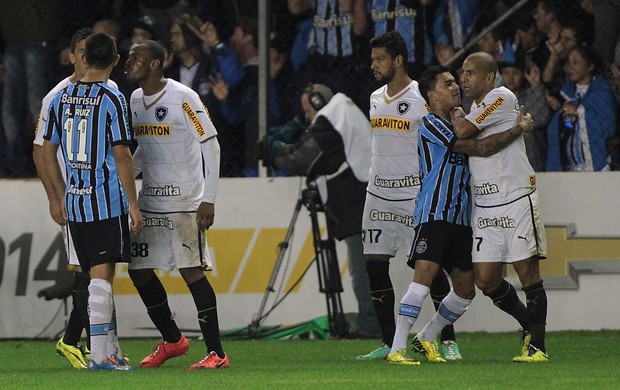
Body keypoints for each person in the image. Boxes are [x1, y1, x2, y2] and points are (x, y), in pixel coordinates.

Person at [387, 65, 534, 364]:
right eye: (448, 83)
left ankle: (425, 339)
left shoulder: (456, 119)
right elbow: (477, 147)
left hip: (459, 219)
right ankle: (396, 350)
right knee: (423, 278)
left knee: (466, 290)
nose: (456, 87)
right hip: (434, 213)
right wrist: (517, 129)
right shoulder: (430, 123)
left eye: (457, 82)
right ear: (431, 95)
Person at [124, 39, 229, 370]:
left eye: (136, 57)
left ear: (155, 63)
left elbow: (210, 146)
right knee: (139, 272)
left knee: (191, 271)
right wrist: (122, 180)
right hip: (150, 201)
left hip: (184, 201)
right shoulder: (135, 99)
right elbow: (145, 151)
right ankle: (173, 340)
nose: (129, 62)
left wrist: (208, 199)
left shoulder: (184, 98)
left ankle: (217, 353)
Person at [42, 32, 142, 371]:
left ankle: (109, 350)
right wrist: (133, 202)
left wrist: (61, 191)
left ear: (84, 58)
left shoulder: (60, 97)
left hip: (76, 201)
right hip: (104, 200)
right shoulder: (113, 99)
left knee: (92, 276)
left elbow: (47, 149)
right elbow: (122, 153)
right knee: (102, 276)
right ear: (115, 60)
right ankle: (100, 356)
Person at [357, 31, 460, 362]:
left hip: (413, 195)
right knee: (375, 265)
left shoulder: (421, 97)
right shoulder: (374, 97)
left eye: (380, 59)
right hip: (378, 194)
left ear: (398, 60)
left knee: (432, 267)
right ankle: (390, 343)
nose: (373, 65)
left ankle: (446, 339)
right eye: (373, 59)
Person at [450, 51, 549, 363]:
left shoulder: (501, 97)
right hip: (485, 205)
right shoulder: (475, 107)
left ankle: (538, 347)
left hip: (515, 196)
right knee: (486, 280)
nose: (463, 78)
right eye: (462, 73)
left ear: (489, 77)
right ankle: (527, 326)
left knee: (526, 271)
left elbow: (462, 134)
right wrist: (461, 131)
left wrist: (456, 119)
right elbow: (463, 142)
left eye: (470, 73)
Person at [264, 83, 381, 338]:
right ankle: (371, 323)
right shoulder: (343, 109)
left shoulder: (332, 117)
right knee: (363, 266)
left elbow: (305, 158)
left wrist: (278, 153)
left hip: (357, 199)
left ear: (318, 102)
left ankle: (371, 326)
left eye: (308, 111)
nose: (308, 118)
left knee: (361, 267)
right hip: (363, 194)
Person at [33, 27, 116, 369]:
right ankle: (72, 341)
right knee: (90, 273)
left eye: (89, 51)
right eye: (80, 51)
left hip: (104, 196)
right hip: (78, 199)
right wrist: (56, 197)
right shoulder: (55, 96)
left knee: (100, 273)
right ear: (71, 56)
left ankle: (100, 346)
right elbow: (41, 152)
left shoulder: (109, 89)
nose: (85, 57)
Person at [546, 44, 616, 171]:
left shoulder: (602, 91)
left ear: (590, 66)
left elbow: (608, 126)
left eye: (576, 63)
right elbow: (568, 127)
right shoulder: (568, 95)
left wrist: (579, 112)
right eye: (568, 63)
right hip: (571, 166)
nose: (570, 68)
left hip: (596, 166)